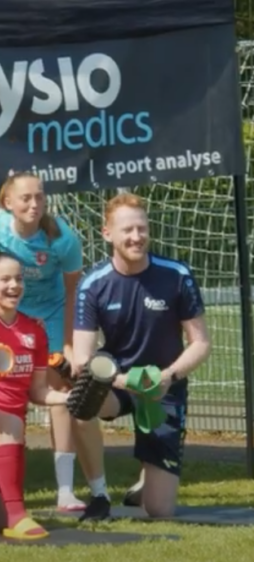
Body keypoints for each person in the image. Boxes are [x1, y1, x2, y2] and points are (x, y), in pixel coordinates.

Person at [71, 193, 210, 521]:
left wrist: (168, 377)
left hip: (165, 387)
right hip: (117, 382)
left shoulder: (176, 274)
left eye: (142, 228)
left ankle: (145, 483)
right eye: (127, 230)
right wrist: (124, 381)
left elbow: (201, 342)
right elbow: (82, 357)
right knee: (79, 405)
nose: (136, 237)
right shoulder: (92, 284)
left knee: (160, 511)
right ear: (107, 234)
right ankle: (99, 494)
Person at [0, 172, 87, 511]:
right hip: (7, 318)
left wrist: (67, 345)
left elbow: (73, 292)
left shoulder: (63, 238)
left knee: (60, 392)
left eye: (39, 196)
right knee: (2, 390)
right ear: (7, 203)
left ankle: (65, 489)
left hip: (50, 317)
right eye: (25, 198)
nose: (34, 204)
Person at [0, 253, 71, 539]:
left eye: (18, 279)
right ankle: (19, 514)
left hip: (9, 433)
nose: (13, 285)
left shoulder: (34, 330)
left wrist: (68, 398)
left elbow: (38, 391)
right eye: (5, 279)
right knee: (10, 424)